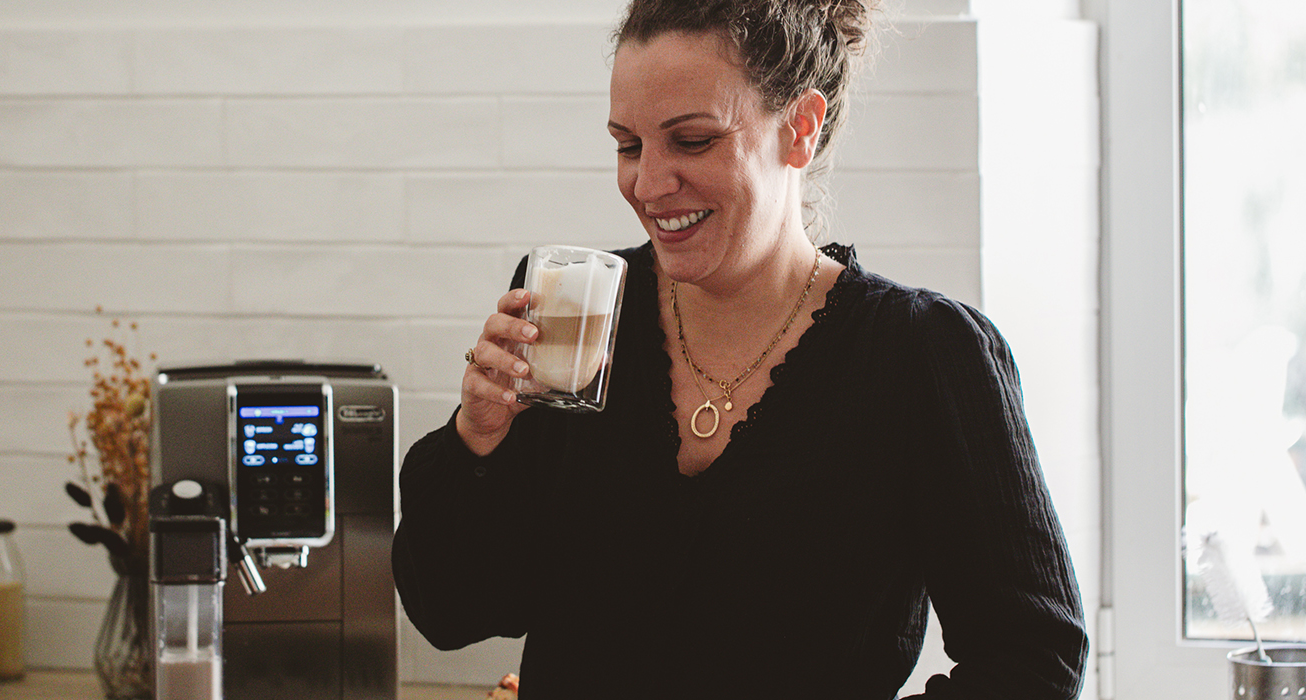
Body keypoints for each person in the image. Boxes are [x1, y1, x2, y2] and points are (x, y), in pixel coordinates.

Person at [392, 0, 1089, 697]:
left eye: (692, 141)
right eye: (628, 145)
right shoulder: (580, 314)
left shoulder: (922, 357)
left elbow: (1034, 659)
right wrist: (477, 442)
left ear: (800, 129)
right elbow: (455, 609)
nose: (648, 183)